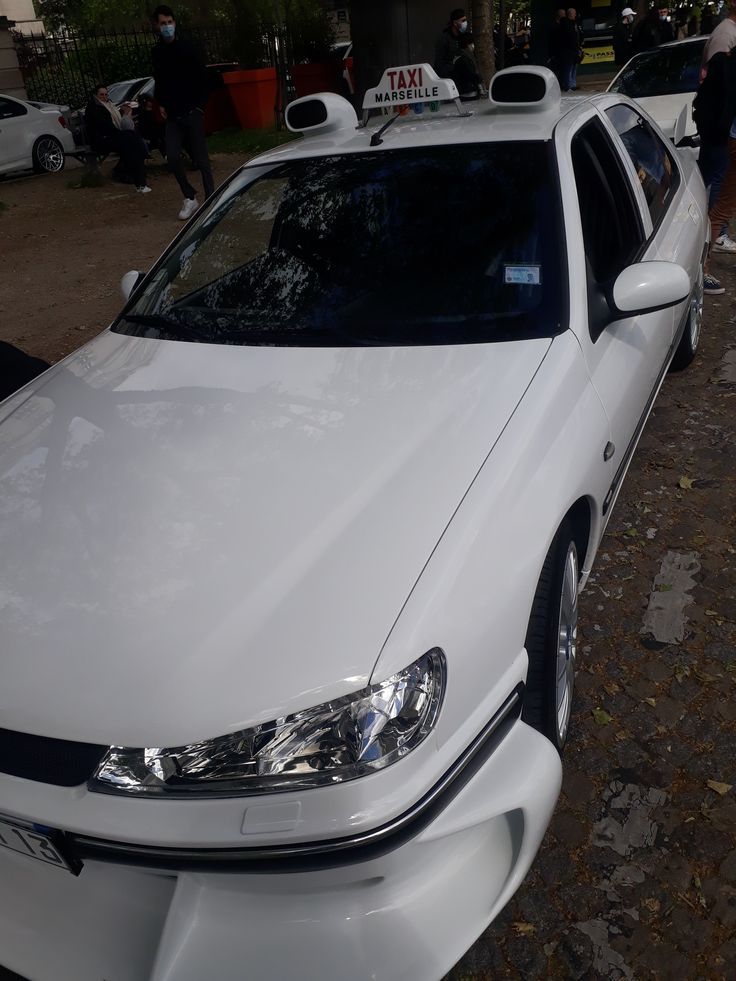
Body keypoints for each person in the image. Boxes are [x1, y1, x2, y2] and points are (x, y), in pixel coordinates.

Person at [151, 4, 214, 221]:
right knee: (173, 157)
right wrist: (160, 103)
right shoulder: (157, 52)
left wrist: (199, 106)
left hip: (192, 111)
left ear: (175, 23)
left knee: (202, 159)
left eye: (170, 22)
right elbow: (159, 79)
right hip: (173, 116)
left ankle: (212, 200)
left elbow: (203, 77)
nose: (167, 26)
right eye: (163, 23)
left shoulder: (188, 47)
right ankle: (189, 196)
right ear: (156, 27)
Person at [84, 84, 151, 193]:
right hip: (101, 139)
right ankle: (138, 179)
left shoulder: (109, 105)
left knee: (133, 141)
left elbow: (115, 124)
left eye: (106, 94)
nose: (104, 97)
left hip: (111, 136)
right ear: (96, 95)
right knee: (132, 141)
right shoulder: (94, 108)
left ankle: (136, 178)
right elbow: (104, 127)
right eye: (101, 95)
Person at [435, 7, 468, 80]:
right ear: (455, 23)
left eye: (465, 20)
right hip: (449, 79)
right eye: (463, 21)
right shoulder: (444, 39)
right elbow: (440, 64)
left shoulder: (462, 37)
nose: (465, 23)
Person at [454, 33, 485, 99]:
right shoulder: (463, 59)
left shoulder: (460, 56)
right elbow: (471, 75)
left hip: (465, 91)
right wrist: (479, 79)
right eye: (471, 43)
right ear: (467, 44)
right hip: (468, 93)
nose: (473, 46)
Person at [558, 7, 580, 91]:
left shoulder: (572, 23)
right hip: (569, 51)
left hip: (572, 50)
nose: (575, 15)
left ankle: (572, 84)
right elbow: (571, 38)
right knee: (569, 69)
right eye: (574, 13)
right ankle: (568, 86)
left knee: (572, 68)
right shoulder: (567, 24)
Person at [548, 9, 566, 86]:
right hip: (556, 53)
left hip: (561, 52)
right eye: (563, 14)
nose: (565, 16)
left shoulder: (562, 25)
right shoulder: (554, 26)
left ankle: (561, 84)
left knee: (561, 70)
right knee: (557, 70)